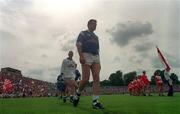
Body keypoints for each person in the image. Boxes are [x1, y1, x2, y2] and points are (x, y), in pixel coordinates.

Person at [73, 19, 104, 109]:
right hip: (86, 55)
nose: (95, 26)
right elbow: (78, 44)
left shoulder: (96, 37)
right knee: (85, 79)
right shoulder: (83, 33)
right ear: (89, 24)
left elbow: (98, 50)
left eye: (96, 24)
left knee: (96, 77)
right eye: (94, 24)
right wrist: (81, 55)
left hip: (95, 57)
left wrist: (99, 61)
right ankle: (77, 94)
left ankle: (95, 101)